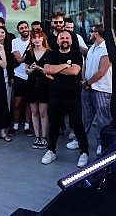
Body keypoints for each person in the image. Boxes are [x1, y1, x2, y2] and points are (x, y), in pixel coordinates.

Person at [41, 30, 89, 168]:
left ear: (71, 40)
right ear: (57, 40)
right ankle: (51, 151)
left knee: (77, 124)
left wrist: (54, 70)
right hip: (55, 95)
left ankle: (84, 152)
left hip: (72, 95)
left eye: (67, 37)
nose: (64, 39)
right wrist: (64, 66)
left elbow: (75, 71)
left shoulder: (76, 54)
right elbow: (47, 69)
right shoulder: (51, 54)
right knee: (54, 125)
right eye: (62, 38)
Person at [67, 26, 112, 156]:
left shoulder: (106, 48)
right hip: (87, 88)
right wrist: (83, 82)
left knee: (103, 118)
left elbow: (102, 71)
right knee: (85, 117)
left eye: (92, 32)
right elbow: (85, 65)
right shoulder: (92, 48)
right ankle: (79, 140)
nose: (90, 34)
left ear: (96, 34)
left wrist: (88, 82)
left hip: (101, 89)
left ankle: (102, 143)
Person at [24, 29, 50, 149]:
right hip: (31, 85)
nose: (37, 39)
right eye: (34, 37)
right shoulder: (29, 53)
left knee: (43, 113)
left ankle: (44, 137)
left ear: (43, 38)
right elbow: (26, 70)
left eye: (39, 37)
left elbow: (50, 72)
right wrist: (32, 69)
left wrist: (40, 68)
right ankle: (37, 136)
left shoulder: (49, 53)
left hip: (45, 86)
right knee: (34, 112)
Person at [10, 21, 33, 138]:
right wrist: (29, 57)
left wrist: (27, 58)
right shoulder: (15, 42)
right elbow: (19, 59)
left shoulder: (34, 40)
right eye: (21, 28)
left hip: (32, 76)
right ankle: (15, 125)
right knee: (17, 102)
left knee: (29, 102)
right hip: (19, 75)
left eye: (25, 27)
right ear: (18, 31)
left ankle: (27, 126)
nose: (24, 29)